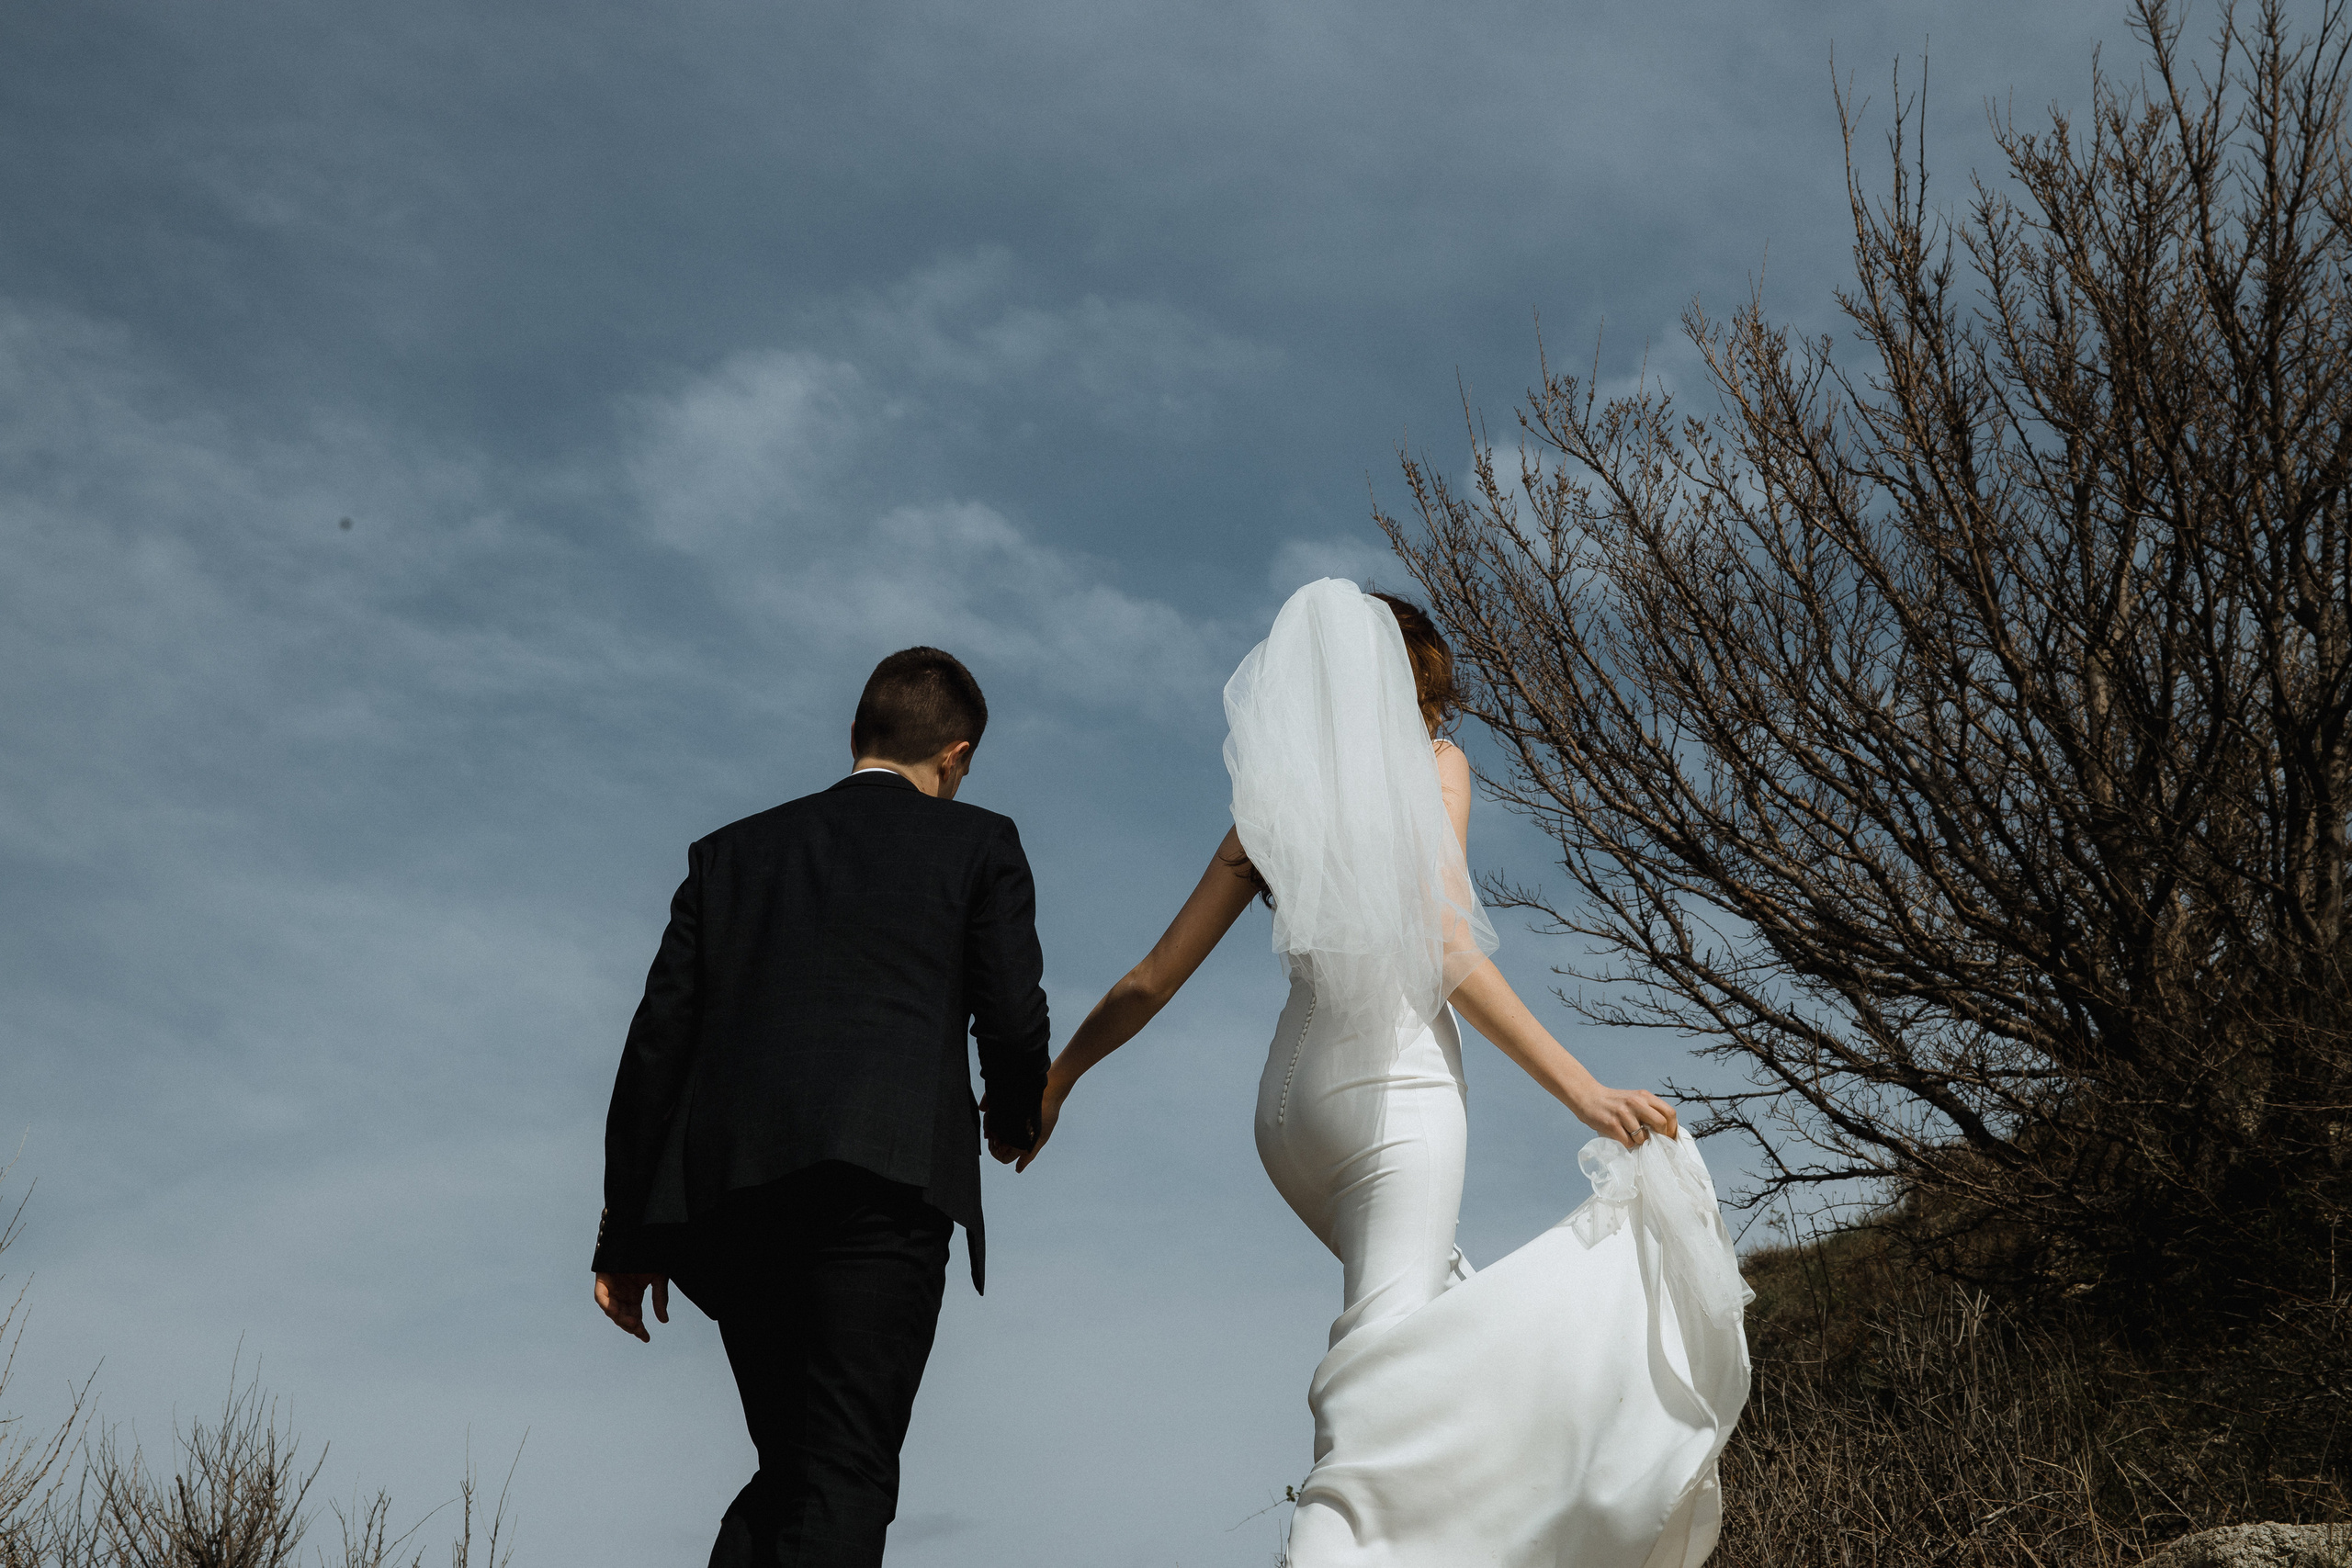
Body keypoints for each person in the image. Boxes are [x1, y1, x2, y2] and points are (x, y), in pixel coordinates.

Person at [1023, 580, 1750, 1567]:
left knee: (1435, 1343)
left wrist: (1060, 1078)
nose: (1440, 721)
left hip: (1288, 1117)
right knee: (1379, 1383)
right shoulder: (1436, 767)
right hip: (1393, 1098)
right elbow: (1445, 944)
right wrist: (1583, 1091)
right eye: (1430, 700)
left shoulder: (1272, 812)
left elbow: (1151, 978)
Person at [591, 646, 1051, 1568]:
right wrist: (1013, 1118)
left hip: (736, 1203)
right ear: (956, 756)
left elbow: (655, 1047)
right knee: (844, 1471)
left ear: (854, 735)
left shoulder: (728, 857)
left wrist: (627, 1236)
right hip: (885, 1191)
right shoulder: (978, 844)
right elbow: (1009, 1014)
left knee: (798, 1466)